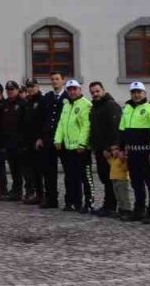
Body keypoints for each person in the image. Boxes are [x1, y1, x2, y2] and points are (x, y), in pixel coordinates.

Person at [118, 81, 150, 223]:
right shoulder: (127, 108)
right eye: (134, 92)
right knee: (136, 183)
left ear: (144, 93)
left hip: (146, 153)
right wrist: (121, 149)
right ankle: (139, 210)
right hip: (133, 153)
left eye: (139, 92)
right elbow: (122, 130)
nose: (136, 95)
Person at [54, 79, 94, 213]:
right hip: (68, 147)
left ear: (80, 90)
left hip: (81, 148)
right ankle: (73, 202)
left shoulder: (85, 105)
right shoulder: (66, 105)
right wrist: (57, 140)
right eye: (69, 89)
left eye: (74, 89)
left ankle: (89, 203)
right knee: (70, 177)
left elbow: (86, 127)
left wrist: (82, 143)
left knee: (85, 177)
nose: (72, 92)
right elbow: (61, 124)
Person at [88, 81, 122, 216]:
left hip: (109, 150)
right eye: (93, 92)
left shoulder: (111, 106)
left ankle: (112, 206)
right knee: (104, 178)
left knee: (111, 179)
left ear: (103, 90)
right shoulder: (95, 107)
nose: (95, 94)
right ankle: (108, 204)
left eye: (97, 91)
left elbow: (115, 128)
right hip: (99, 148)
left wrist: (111, 147)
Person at [37, 72, 66, 209]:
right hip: (48, 138)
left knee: (69, 170)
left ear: (63, 80)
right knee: (48, 170)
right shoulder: (47, 98)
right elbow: (41, 118)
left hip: (63, 139)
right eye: (52, 79)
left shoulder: (68, 97)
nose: (55, 81)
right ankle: (51, 198)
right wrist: (40, 137)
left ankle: (72, 199)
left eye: (57, 79)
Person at [19, 80, 45, 204]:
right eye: (28, 87)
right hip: (28, 141)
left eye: (32, 86)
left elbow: (43, 121)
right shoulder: (27, 102)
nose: (30, 89)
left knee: (40, 169)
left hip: (38, 141)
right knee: (31, 169)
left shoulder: (42, 101)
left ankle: (42, 194)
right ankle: (36, 194)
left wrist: (41, 137)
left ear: (37, 87)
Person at [0, 81, 25, 201]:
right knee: (13, 167)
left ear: (17, 90)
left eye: (12, 89)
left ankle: (22, 190)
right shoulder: (4, 104)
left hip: (19, 141)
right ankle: (15, 189)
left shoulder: (22, 103)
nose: (9, 91)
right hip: (8, 141)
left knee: (21, 168)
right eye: (8, 89)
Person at [108, 144, 133, 221]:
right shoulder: (113, 159)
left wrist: (122, 160)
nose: (114, 151)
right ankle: (121, 210)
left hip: (122, 180)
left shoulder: (122, 159)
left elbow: (126, 168)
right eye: (112, 150)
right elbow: (111, 164)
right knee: (118, 196)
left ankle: (127, 210)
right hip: (114, 180)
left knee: (124, 196)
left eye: (116, 149)